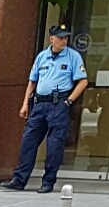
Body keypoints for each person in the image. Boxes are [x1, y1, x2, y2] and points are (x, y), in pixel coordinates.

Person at [7, 24, 88, 191]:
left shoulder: (73, 57)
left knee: (54, 145)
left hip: (58, 104)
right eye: (60, 38)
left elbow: (83, 82)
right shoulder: (42, 56)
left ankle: (48, 182)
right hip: (39, 105)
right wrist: (25, 103)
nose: (64, 40)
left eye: (66, 37)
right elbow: (32, 82)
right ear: (52, 39)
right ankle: (19, 180)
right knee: (28, 141)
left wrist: (69, 101)